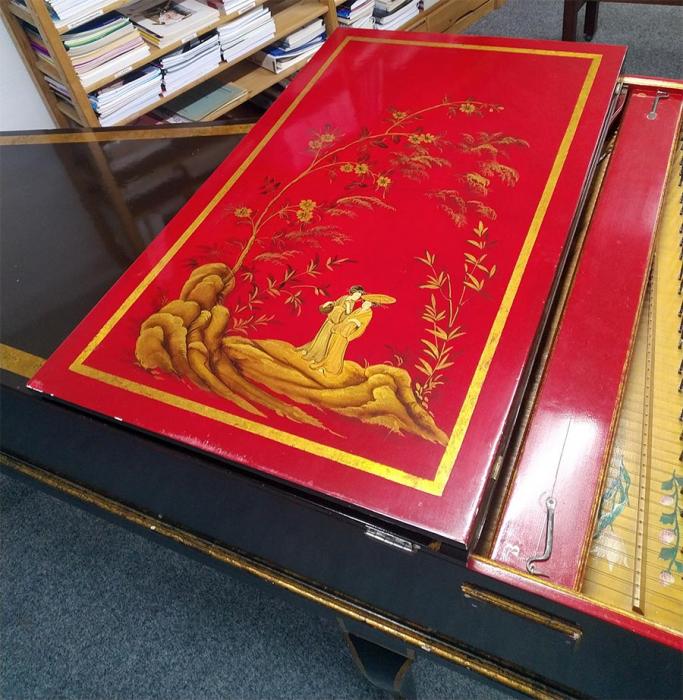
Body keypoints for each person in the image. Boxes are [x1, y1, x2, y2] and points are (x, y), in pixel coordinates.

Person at [298, 285, 364, 363]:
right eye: (357, 294)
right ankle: (311, 351)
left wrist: (348, 307)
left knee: (326, 341)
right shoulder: (344, 297)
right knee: (321, 338)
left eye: (359, 295)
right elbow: (335, 303)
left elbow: (347, 315)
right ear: (353, 292)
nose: (357, 297)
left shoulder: (352, 303)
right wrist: (329, 303)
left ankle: (318, 358)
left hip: (336, 323)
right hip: (330, 320)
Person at [311, 299, 376, 375]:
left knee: (336, 351)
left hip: (346, 333)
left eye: (367, 303)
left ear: (371, 305)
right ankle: (323, 363)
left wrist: (355, 324)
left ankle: (330, 369)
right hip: (340, 329)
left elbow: (362, 327)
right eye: (365, 302)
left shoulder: (368, 314)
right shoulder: (359, 309)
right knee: (330, 347)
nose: (365, 304)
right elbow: (347, 318)